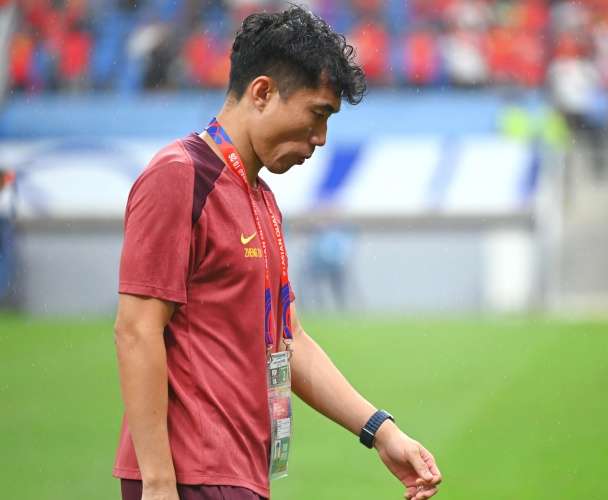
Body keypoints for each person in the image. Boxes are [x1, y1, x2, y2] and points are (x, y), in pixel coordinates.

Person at [112, 6, 442, 500]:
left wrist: (381, 431)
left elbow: (289, 340)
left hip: (237, 474)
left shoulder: (261, 199)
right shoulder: (180, 175)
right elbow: (137, 329)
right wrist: (159, 484)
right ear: (262, 92)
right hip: (191, 477)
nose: (321, 138)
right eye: (318, 114)